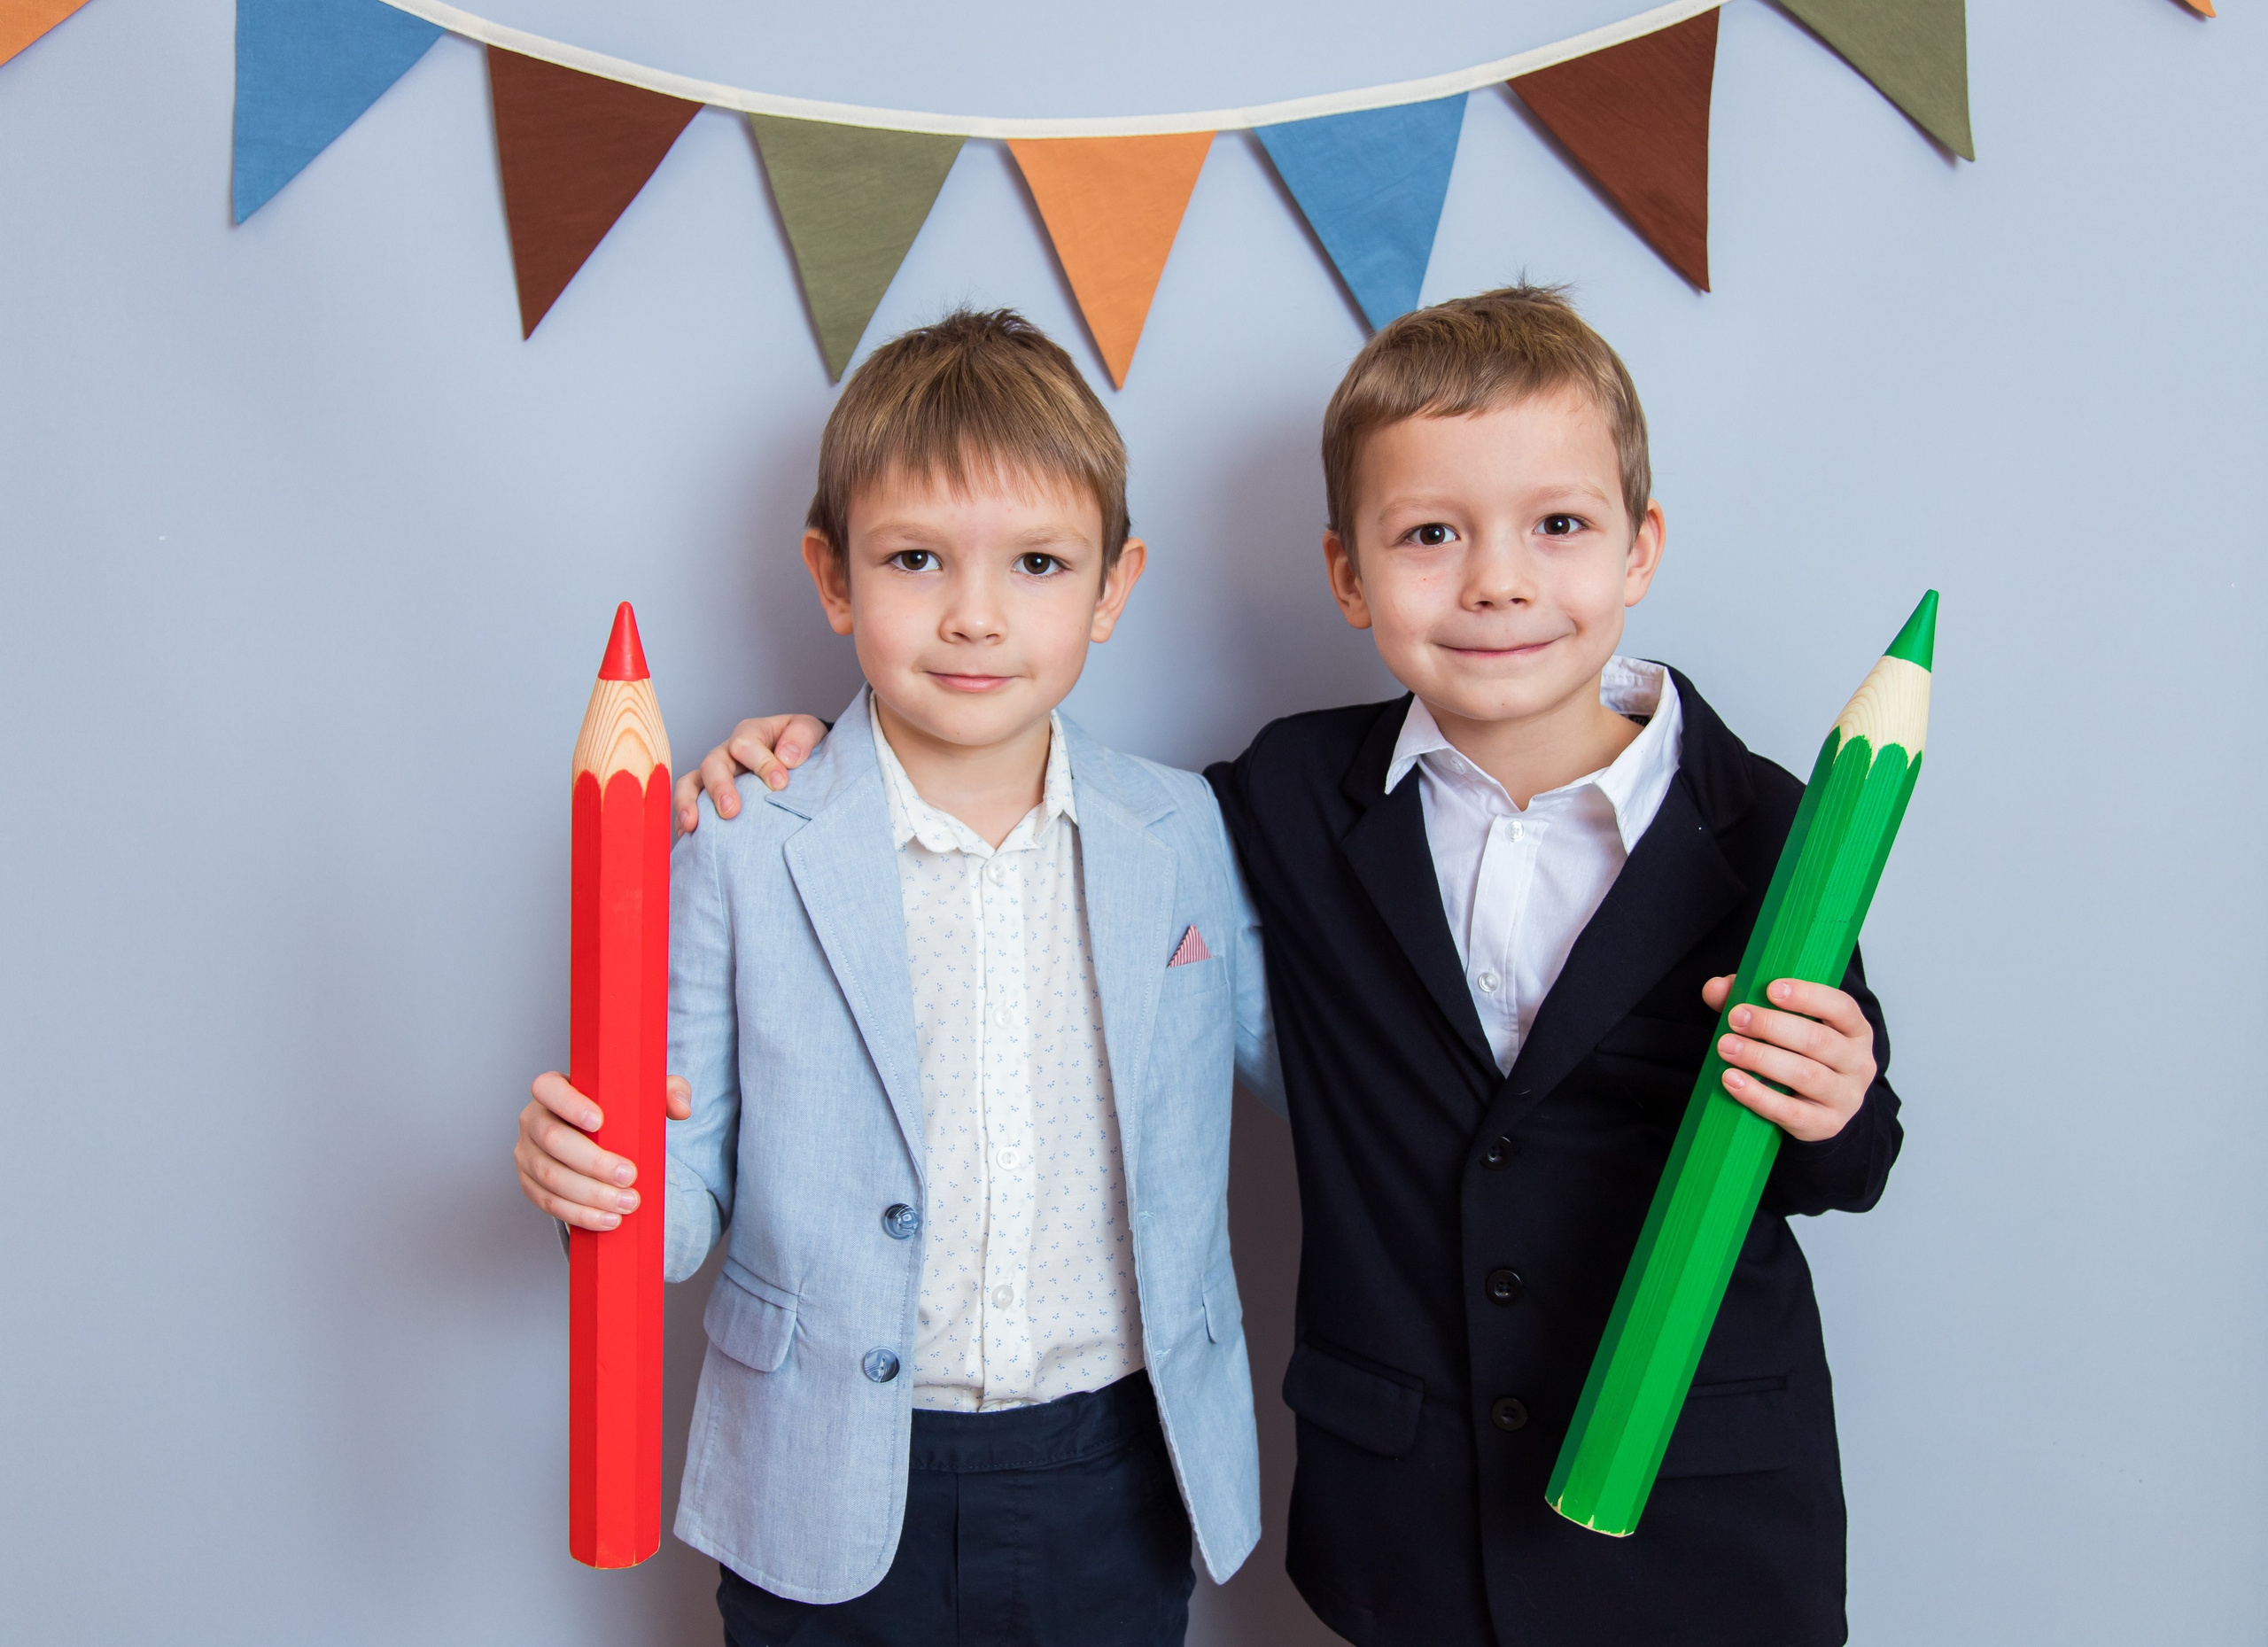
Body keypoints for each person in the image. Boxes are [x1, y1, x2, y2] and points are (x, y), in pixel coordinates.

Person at [681, 285, 1905, 1647]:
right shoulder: (1278, 802)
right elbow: (1023, 813)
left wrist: (1840, 1104)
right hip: (1414, 1521)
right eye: (1432, 536)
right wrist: (800, 773)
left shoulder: (1766, 826)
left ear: (1638, 548)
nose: (1498, 580)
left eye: (1557, 526)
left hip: (1705, 1508)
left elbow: (1842, 1166)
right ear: (1349, 575)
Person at [514, 309, 1278, 1647]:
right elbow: (680, 1202)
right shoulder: (743, 843)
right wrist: (600, 1182)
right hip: (822, 1475)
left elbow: (1340, 1071)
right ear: (834, 577)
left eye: (1038, 563)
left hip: (1116, 1465)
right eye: (916, 559)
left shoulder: (1182, 833)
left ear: (1113, 584)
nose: (975, 615)